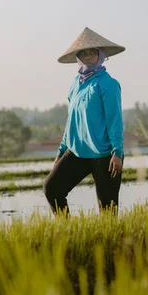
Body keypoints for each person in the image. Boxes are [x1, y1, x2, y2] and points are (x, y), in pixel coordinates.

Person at [43, 27, 125, 216]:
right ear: (78, 57)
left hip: (104, 154)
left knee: (108, 212)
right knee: (52, 189)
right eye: (84, 53)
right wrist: (61, 150)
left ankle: (110, 244)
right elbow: (71, 120)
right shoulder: (75, 84)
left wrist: (117, 152)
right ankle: (68, 232)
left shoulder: (108, 84)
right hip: (77, 152)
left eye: (93, 52)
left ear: (100, 54)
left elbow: (115, 121)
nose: (88, 56)